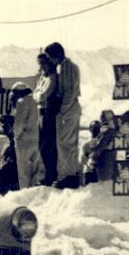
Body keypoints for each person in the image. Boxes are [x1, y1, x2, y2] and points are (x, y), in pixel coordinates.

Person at [45, 41, 81, 188]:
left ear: (57, 55)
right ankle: (68, 174)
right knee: (66, 143)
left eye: (50, 57)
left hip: (69, 110)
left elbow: (70, 91)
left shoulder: (67, 67)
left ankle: (68, 176)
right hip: (70, 109)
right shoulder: (68, 66)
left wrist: (62, 110)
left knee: (66, 143)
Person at [33, 51, 60, 186]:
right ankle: (46, 174)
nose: (42, 66)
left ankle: (51, 174)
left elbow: (43, 95)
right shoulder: (42, 78)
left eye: (43, 63)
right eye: (40, 64)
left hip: (49, 114)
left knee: (49, 145)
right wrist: (38, 96)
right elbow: (36, 94)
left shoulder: (53, 77)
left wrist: (39, 96)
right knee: (41, 145)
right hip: (40, 112)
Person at [10, 83, 43, 187]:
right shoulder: (36, 101)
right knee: (36, 172)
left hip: (24, 142)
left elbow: (19, 123)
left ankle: (24, 194)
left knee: (23, 173)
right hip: (37, 140)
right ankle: (33, 195)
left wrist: (16, 136)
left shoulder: (22, 102)